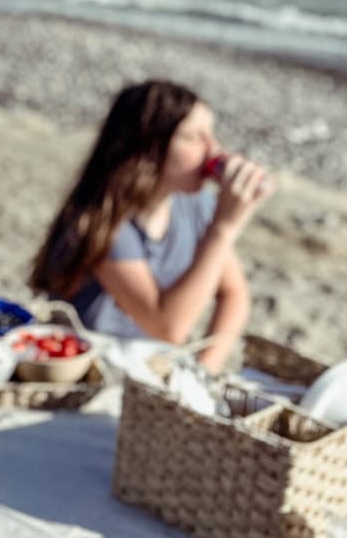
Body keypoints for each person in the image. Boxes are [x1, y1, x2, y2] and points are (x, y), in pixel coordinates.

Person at [29, 80, 270, 374]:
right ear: (148, 147)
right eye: (195, 137)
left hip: (146, 367)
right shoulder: (102, 220)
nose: (213, 150)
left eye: (212, 135)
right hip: (86, 367)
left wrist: (204, 369)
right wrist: (223, 229)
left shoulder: (197, 205)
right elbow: (167, 327)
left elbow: (234, 294)